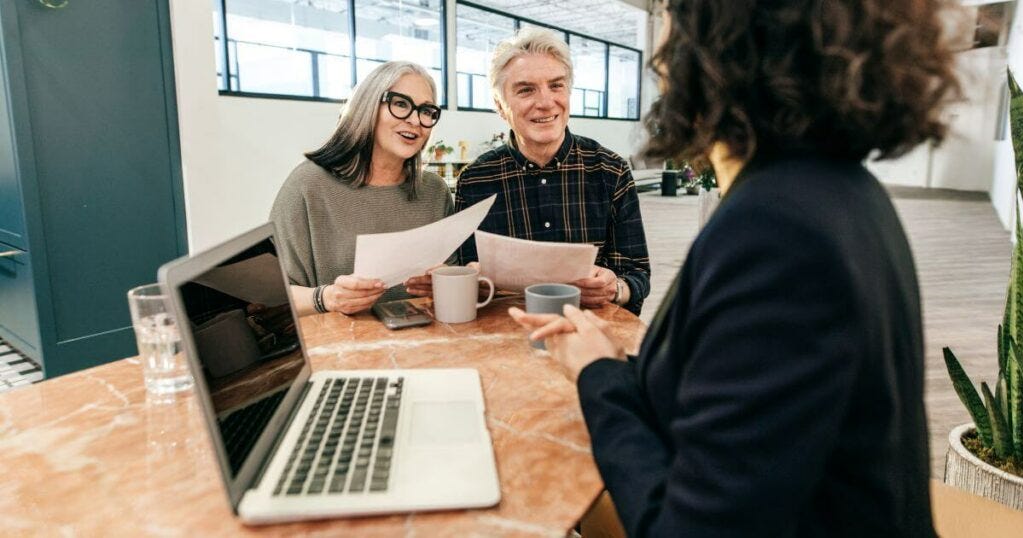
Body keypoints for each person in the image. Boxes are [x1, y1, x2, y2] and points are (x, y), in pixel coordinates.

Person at [511, 0, 961, 535]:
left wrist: (596, 375)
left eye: (671, 20)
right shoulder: (837, 190)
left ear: (717, 46)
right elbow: (727, 400)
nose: (659, 53)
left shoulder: (778, 232)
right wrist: (612, 362)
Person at [450, 27, 651, 315]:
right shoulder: (475, 180)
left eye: (556, 85)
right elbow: (466, 275)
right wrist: (472, 280)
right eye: (526, 89)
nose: (545, 102)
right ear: (499, 105)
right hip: (506, 339)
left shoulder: (610, 170)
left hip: (592, 337)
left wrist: (616, 288)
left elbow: (637, 274)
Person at [270, 61, 453, 316]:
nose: (415, 120)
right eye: (400, 103)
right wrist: (327, 298)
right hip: (339, 349)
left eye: (426, 110)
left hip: (425, 344)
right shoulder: (308, 185)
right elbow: (270, 299)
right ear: (367, 106)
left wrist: (442, 284)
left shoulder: (434, 192)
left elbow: (452, 273)